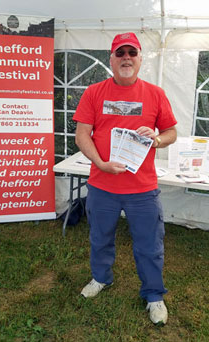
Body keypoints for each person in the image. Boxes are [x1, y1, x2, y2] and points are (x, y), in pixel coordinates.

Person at [73, 32, 177, 325]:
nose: (126, 58)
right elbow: (82, 134)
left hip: (142, 189)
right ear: (111, 59)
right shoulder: (94, 92)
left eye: (132, 53)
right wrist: (100, 164)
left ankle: (154, 295)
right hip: (101, 185)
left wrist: (157, 139)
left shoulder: (155, 94)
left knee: (149, 245)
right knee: (100, 238)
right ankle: (101, 278)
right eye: (120, 53)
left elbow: (171, 132)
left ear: (140, 59)